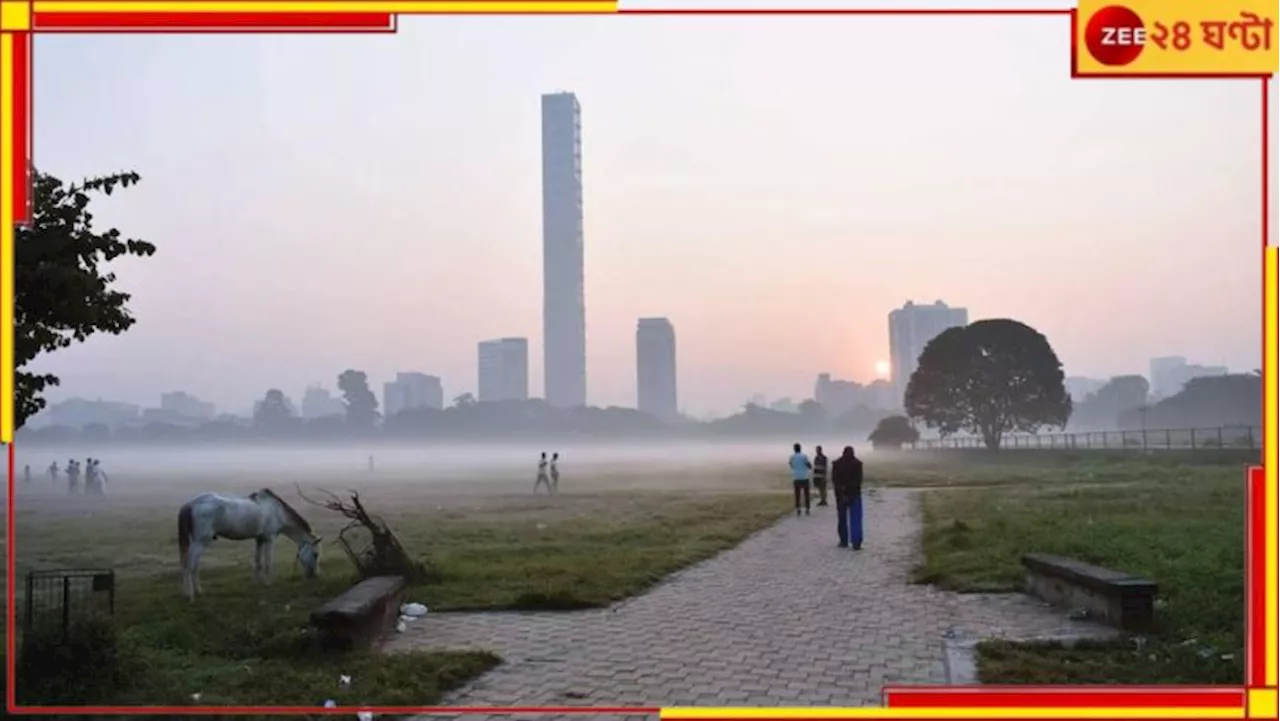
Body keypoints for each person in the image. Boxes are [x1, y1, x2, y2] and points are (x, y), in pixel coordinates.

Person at [831, 445, 865, 550]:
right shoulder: (857, 464)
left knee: (842, 519)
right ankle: (856, 542)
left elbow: (835, 480)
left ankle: (843, 540)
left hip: (840, 495)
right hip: (854, 494)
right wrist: (849, 491)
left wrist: (842, 491)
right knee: (856, 519)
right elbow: (858, 481)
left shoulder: (836, 464)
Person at [788, 443, 812, 516]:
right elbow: (809, 465)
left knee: (797, 494)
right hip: (805, 477)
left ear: (794, 449)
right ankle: (807, 509)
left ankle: (798, 508)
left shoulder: (792, 457)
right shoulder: (804, 456)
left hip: (796, 477)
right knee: (806, 494)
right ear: (800, 448)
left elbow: (791, 465)